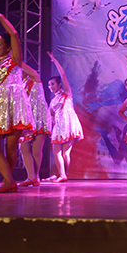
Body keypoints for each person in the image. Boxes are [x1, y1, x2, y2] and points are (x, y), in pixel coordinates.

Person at [0, 8, 34, 193]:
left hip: (14, 107)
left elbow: (14, 34)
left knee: (11, 148)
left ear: (8, 47)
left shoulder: (15, 61)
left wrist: (0, 17)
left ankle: (7, 182)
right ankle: (9, 180)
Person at [46, 51, 84, 183]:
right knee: (56, 152)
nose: (51, 87)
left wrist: (54, 60)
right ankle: (63, 175)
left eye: (53, 84)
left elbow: (63, 74)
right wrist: (50, 130)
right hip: (58, 127)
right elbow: (51, 117)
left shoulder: (67, 94)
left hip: (68, 124)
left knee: (65, 153)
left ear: (59, 84)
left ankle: (63, 175)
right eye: (49, 85)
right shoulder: (52, 101)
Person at [19, 63, 51, 187]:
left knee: (36, 150)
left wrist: (16, 59)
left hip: (39, 117)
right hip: (26, 118)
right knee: (23, 148)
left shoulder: (34, 80)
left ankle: (35, 177)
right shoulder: (19, 85)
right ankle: (31, 176)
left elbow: (33, 73)